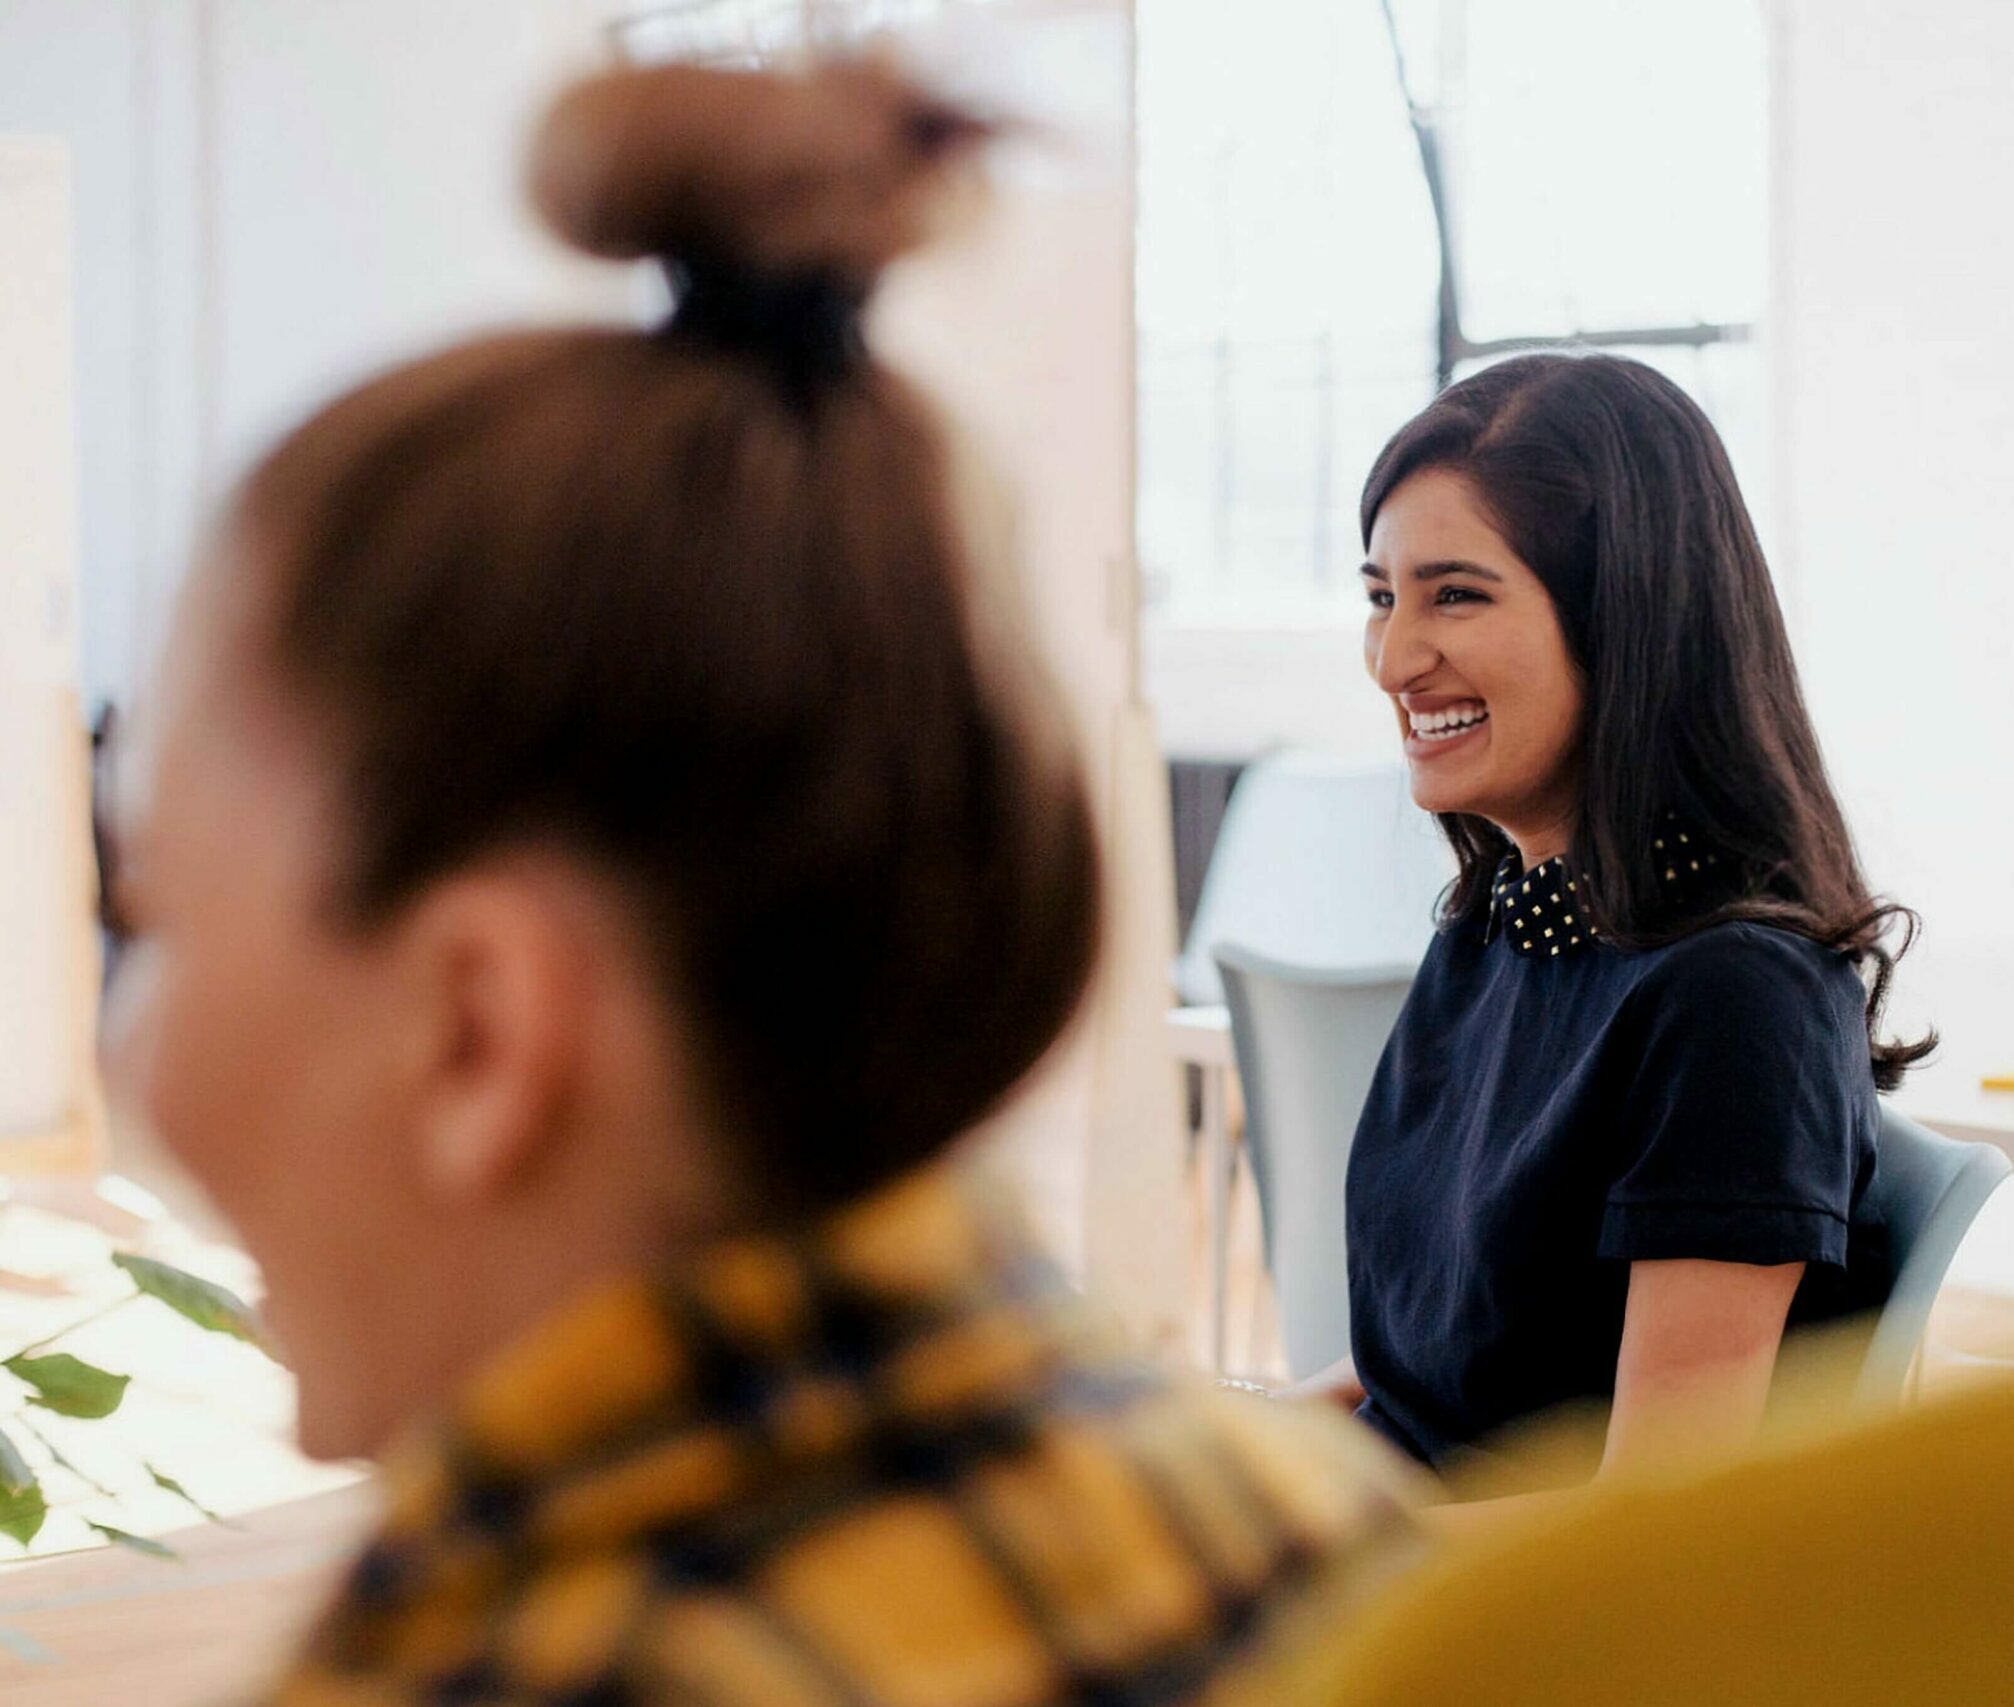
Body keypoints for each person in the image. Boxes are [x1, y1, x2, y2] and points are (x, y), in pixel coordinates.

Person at [103, 57, 1417, 1707]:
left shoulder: (497, 1669)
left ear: (478, 1025)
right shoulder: (1322, 1539)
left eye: (154, 914)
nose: (125, 1057)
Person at [1341, 353, 1931, 1478]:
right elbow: (1413, 1388)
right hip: (1389, 1561)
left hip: (1498, 1619)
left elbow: (1645, 1515)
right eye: (1381, 597)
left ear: (1628, 616)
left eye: (1454, 594)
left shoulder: (1734, 1000)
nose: (1393, 659)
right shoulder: (1491, 926)